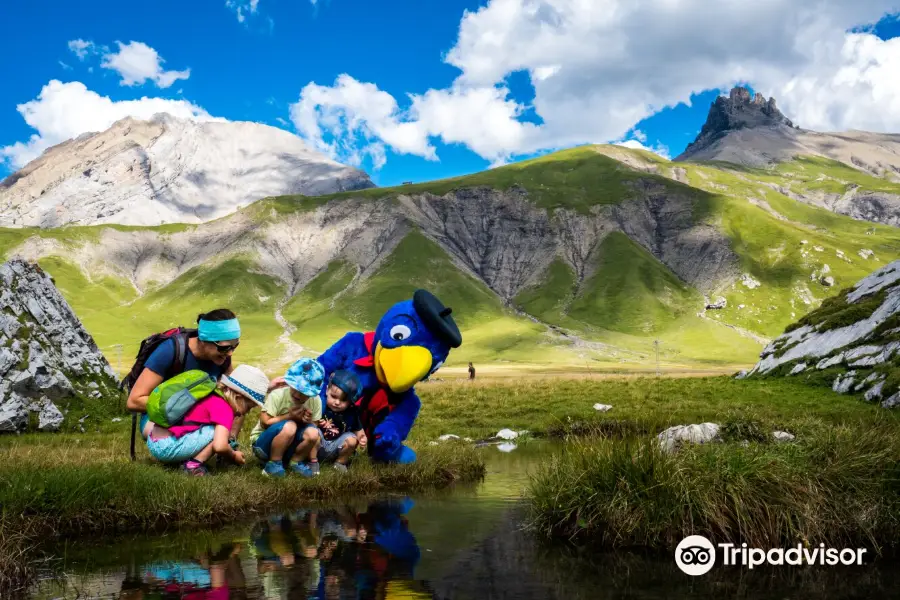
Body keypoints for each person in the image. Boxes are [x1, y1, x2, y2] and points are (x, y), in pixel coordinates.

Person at [127, 310, 244, 445]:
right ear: (204, 340)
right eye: (224, 348)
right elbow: (134, 401)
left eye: (234, 346)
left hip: (200, 415)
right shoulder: (169, 351)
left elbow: (235, 396)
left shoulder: (223, 357)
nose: (229, 353)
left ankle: (229, 443)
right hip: (158, 417)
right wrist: (189, 406)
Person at [144, 365, 268, 475]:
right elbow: (220, 446)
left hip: (152, 441)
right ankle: (193, 466)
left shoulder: (209, 394)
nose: (247, 412)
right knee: (217, 433)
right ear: (239, 397)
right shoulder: (224, 409)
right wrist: (234, 456)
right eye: (249, 407)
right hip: (166, 449)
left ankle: (184, 458)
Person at [250, 358, 325, 478]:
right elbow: (264, 422)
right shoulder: (277, 395)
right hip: (263, 446)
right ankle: (273, 464)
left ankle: (296, 461)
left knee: (313, 432)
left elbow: (314, 426)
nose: (297, 394)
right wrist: (289, 416)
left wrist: (307, 421)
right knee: (290, 425)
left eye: (304, 392)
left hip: (288, 447)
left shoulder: (315, 401)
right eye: (295, 388)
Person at [316, 370, 367, 473]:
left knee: (352, 440)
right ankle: (311, 460)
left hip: (336, 446)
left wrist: (362, 438)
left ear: (350, 402)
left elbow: (359, 430)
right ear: (327, 391)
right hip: (317, 445)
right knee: (312, 432)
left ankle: (340, 462)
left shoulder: (351, 413)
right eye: (334, 397)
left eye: (343, 400)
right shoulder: (320, 404)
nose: (337, 402)